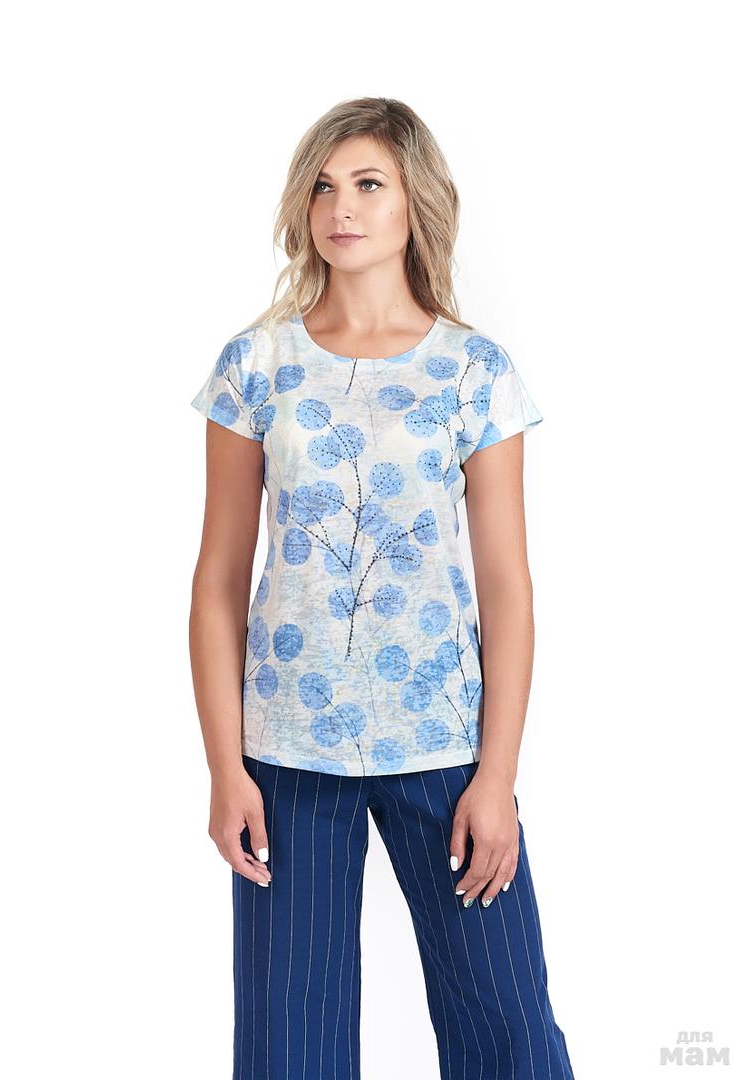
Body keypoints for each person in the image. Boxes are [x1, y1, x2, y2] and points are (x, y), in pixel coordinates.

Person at [189, 96, 575, 1080]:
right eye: (323, 187)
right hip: (286, 753)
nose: (341, 208)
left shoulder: (473, 372)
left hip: (444, 746)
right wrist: (226, 769)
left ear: (415, 204)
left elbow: (508, 590)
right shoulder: (256, 366)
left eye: (367, 184)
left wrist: (497, 776)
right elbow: (218, 583)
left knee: (510, 1033)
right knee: (289, 1051)